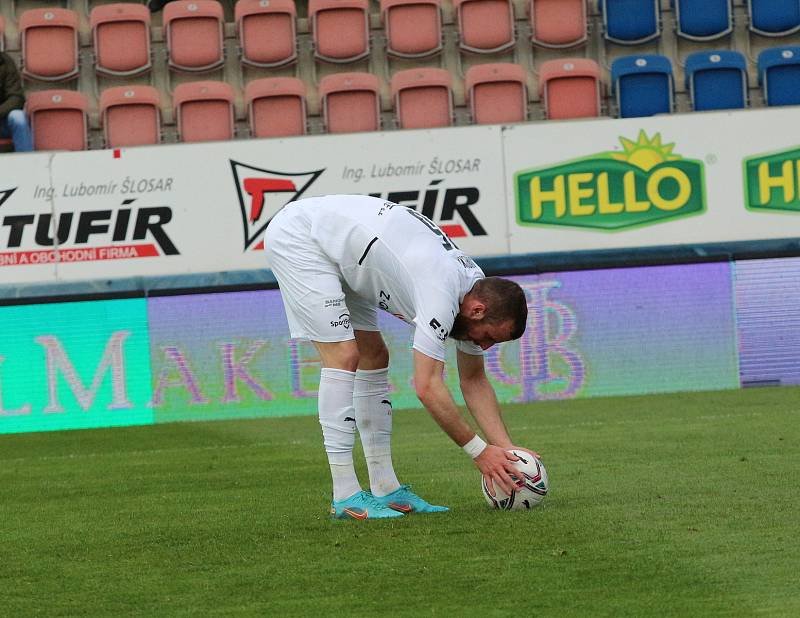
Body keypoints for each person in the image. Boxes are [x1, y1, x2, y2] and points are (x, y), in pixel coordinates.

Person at [264, 194, 537, 520]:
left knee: (373, 355)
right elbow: (426, 385)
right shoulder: (442, 291)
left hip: (350, 253)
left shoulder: (477, 292)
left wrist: (505, 449)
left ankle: (386, 488)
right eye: (490, 338)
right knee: (343, 355)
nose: (486, 347)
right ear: (477, 311)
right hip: (302, 237)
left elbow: (474, 379)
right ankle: (346, 496)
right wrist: (479, 452)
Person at [0, 52, 33, 153]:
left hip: (2, 120)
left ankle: (27, 164)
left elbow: (17, 98)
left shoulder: (5, 62)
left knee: (18, 116)